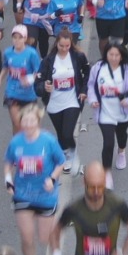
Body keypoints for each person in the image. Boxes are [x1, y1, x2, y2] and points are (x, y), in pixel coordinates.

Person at [3, 102, 66, 255]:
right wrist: (8, 180)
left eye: (32, 121)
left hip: (46, 195)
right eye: (25, 121)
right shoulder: (16, 142)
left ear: (38, 121)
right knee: (26, 236)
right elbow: (8, 163)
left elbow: (60, 162)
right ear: (21, 122)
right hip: (23, 195)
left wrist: (52, 179)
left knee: (45, 237)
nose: (28, 124)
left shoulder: (48, 141)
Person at [88, 38, 128, 172]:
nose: (113, 58)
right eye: (111, 55)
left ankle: (121, 151)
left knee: (121, 134)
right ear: (106, 54)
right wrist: (92, 99)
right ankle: (106, 173)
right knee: (108, 143)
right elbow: (91, 84)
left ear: (121, 56)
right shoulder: (98, 68)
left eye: (116, 55)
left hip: (123, 112)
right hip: (104, 112)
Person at [38, 29, 90, 171]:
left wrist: (84, 90)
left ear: (71, 44)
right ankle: (64, 155)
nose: (64, 49)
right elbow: (38, 83)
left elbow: (87, 72)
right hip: (54, 102)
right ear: (56, 44)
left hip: (72, 100)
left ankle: (72, 155)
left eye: (67, 46)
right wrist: (44, 86)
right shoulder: (48, 60)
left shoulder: (78, 56)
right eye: (62, 46)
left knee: (68, 133)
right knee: (61, 134)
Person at [1, 25, 44, 129]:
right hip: (12, 92)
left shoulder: (31, 54)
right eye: (14, 37)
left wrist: (30, 79)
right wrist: (0, 78)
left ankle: (31, 142)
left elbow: (39, 72)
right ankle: (17, 144)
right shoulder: (8, 52)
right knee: (17, 124)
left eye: (20, 38)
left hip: (28, 94)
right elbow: (6, 66)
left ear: (25, 38)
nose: (17, 40)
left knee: (30, 125)